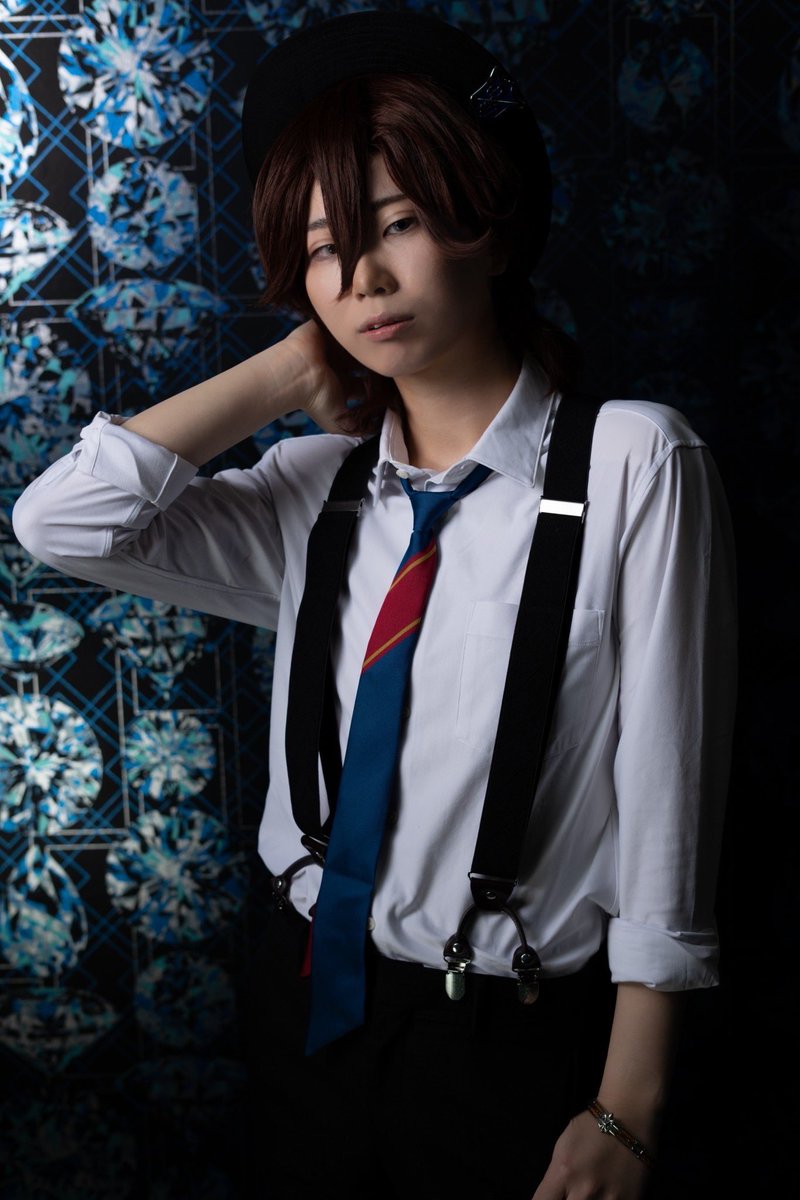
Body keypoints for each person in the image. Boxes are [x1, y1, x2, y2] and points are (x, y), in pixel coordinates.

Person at [12, 11, 737, 1200]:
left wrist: (626, 1106)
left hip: (506, 1032)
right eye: (323, 249)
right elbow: (62, 522)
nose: (363, 279)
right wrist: (295, 369)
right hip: (302, 994)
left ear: (487, 226)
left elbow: (669, 793)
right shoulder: (312, 490)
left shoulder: (633, 463)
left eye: (395, 224)